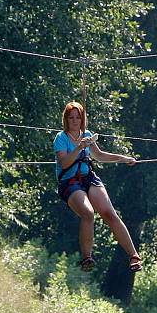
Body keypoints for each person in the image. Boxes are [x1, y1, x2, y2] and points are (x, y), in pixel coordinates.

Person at [54, 101, 142, 273]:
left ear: (82, 119)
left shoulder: (86, 134)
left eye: (78, 117)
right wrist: (80, 147)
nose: (74, 121)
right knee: (88, 213)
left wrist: (124, 158)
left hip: (89, 178)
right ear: (66, 120)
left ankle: (134, 256)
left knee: (109, 213)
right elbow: (64, 163)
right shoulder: (61, 138)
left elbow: (100, 156)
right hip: (70, 182)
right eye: (71, 118)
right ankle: (87, 257)